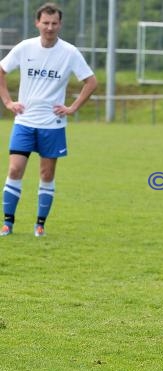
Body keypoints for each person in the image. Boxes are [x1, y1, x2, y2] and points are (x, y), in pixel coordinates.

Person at [0, 2, 97, 237]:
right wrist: (8, 102)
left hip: (52, 125)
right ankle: (7, 223)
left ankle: (40, 224)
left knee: (46, 175)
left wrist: (72, 107)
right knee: (14, 169)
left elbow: (91, 82)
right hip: (24, 121)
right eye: (45, 23)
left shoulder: (69, 52)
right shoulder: (25, 48)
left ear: (60, 24)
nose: (50, 28)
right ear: (37, 23)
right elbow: (1, 71)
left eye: (54, 23)